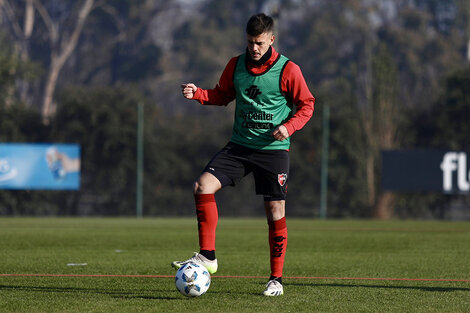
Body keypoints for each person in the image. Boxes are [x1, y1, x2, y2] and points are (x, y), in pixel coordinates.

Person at [172, 13, 315, 296]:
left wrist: (288, 127)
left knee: (275, 212)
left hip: (272, 150)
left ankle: (276, 279)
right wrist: (198, 93)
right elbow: (222, 95)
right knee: (202, 186)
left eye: (259, 43)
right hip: (239, 147)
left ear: (271, 39)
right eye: (250, 42)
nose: (254, 48)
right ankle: (208, 256)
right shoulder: (235, 65)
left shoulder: (288, 70)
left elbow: (307, 105)